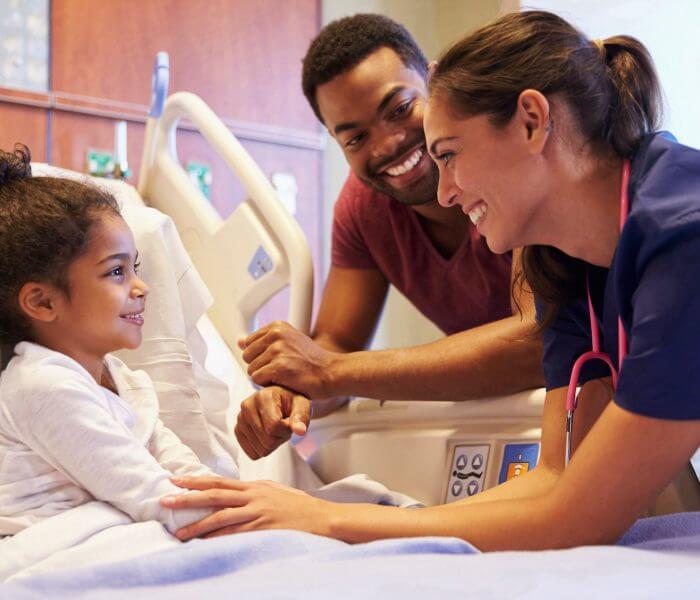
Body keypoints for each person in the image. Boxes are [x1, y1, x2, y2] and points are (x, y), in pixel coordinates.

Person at [163, 10, 700, 550]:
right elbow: (556, 482)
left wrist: (327, 521)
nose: (442, 193)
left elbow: (576, 517)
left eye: (448, 153)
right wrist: (326, 512)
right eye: (353, 137)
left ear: (532, 121)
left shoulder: (682, 239)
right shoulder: (568, 264)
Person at [233, 14, 543, 460]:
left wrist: (329, 371)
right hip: (512, 417)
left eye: (399, 109)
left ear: (434, 81)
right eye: (356, 137)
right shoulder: (363, 210)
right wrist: (291, 393)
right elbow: (336, 342)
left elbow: (535, 342)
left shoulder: (511, 161)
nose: (386, 145)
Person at [0, 145, 222, 536]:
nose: (142, 287)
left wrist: (259, 502)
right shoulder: (40, 385)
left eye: (134, 267)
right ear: (43, 301)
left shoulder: (124, 381)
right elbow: (165, 502)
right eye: (116, 271)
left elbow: (193, 480)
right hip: (54, 551)